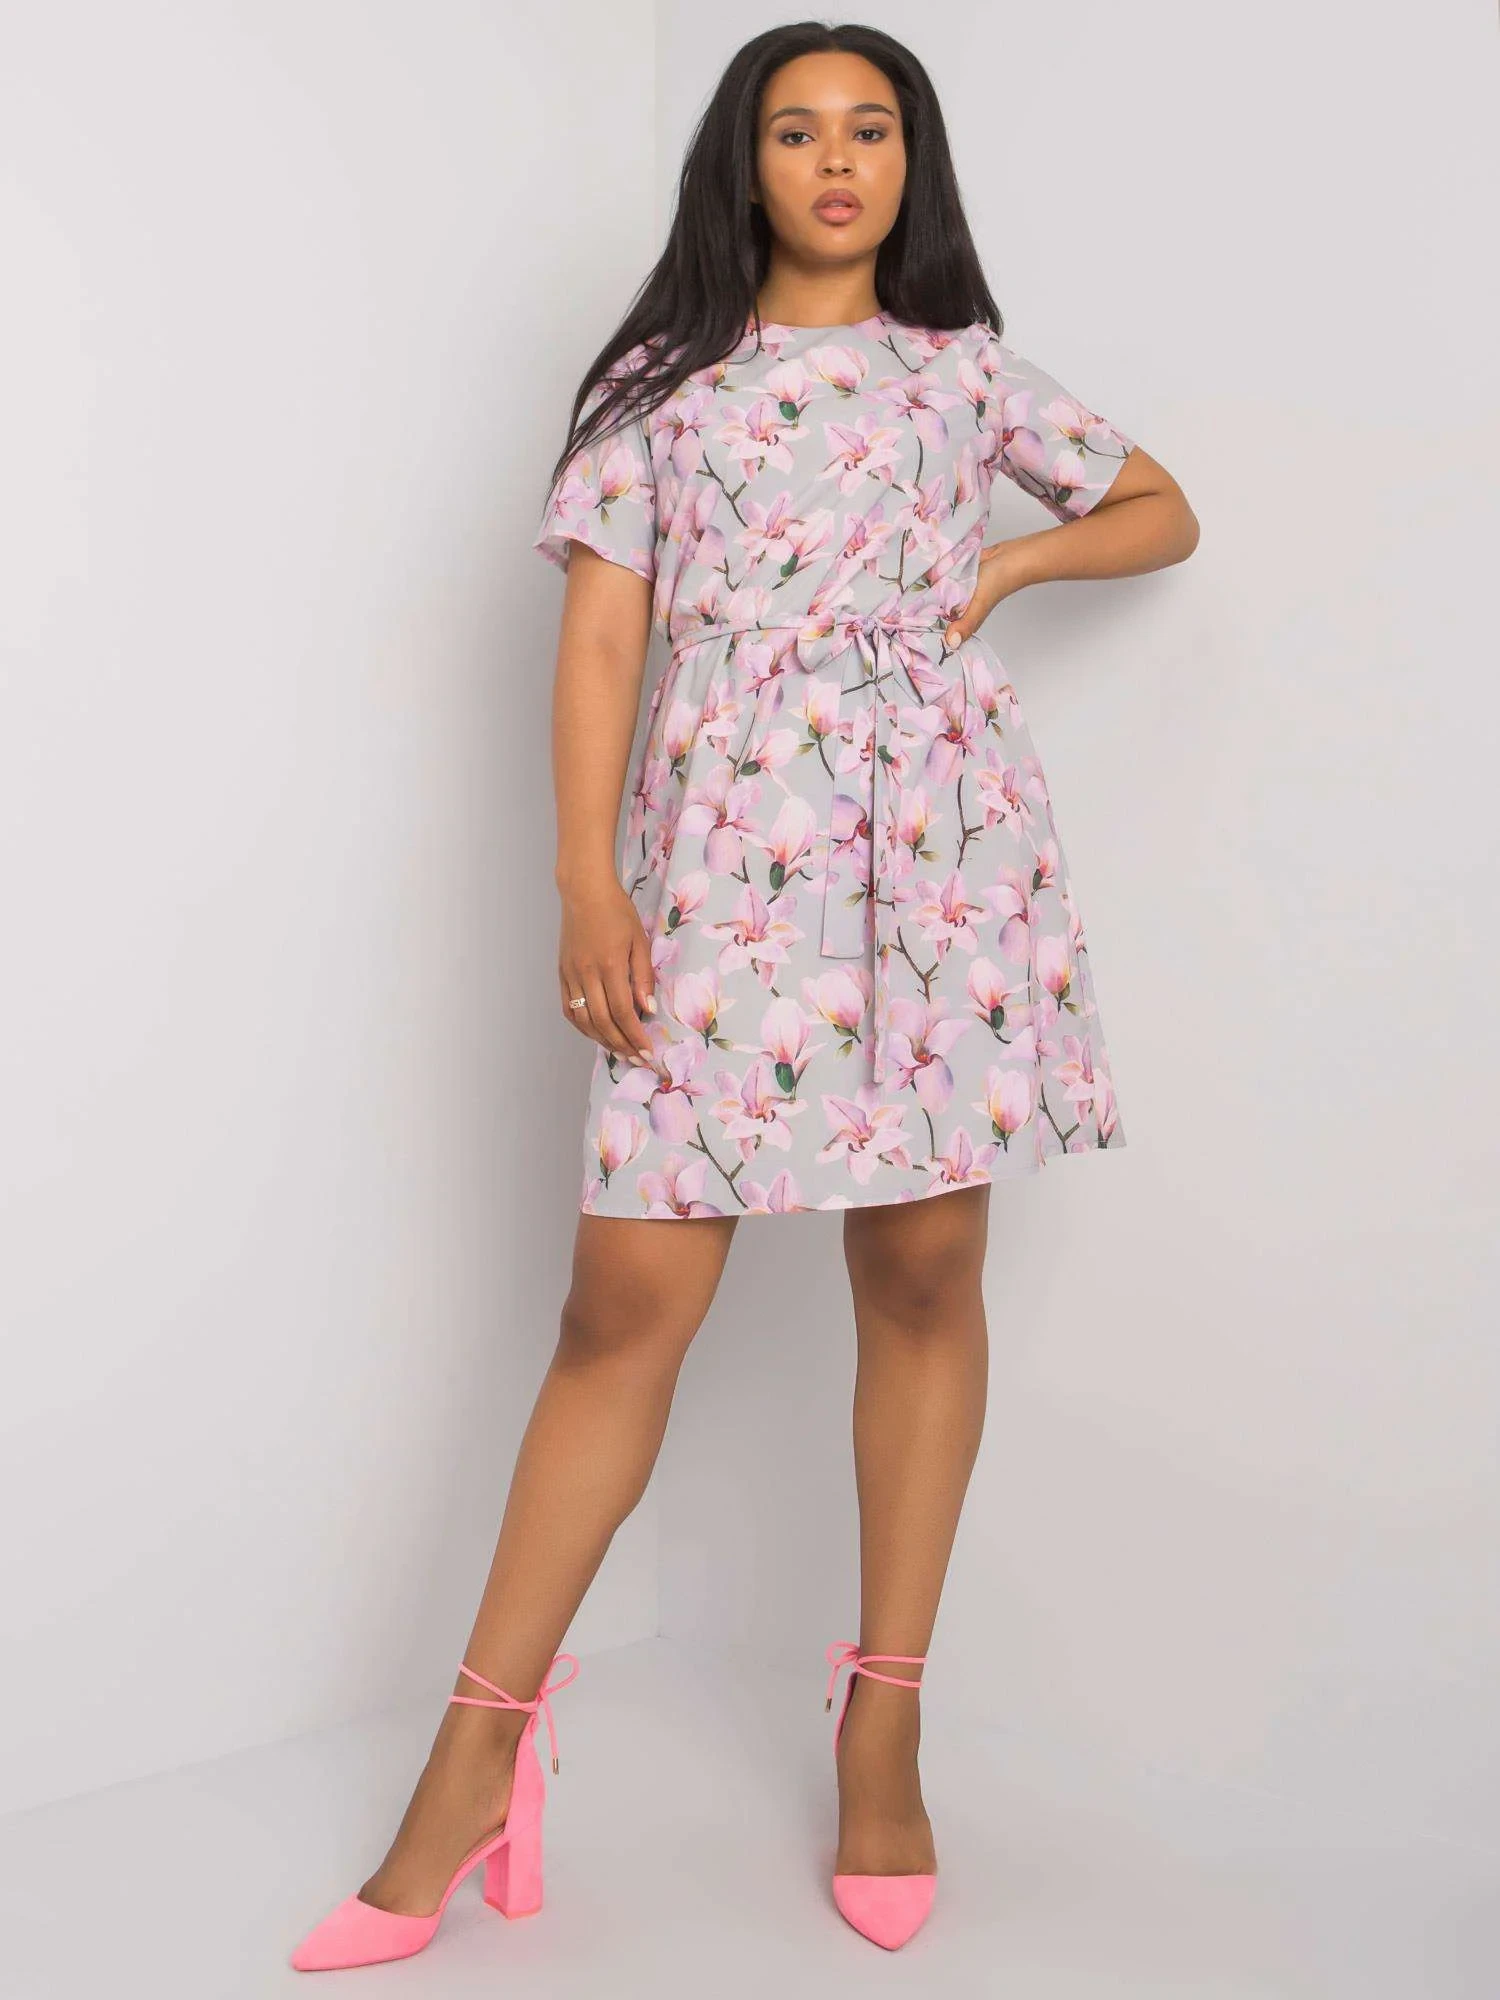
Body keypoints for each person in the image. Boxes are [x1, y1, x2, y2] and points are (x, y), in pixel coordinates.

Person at [289, 20, 1197, 1973]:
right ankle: (475, 1759)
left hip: (941, 860)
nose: (838, 160)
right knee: (625, 1299)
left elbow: (1160, 509)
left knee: (926, 1268)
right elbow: (600, 640)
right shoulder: (661, 385)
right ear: (745, 164)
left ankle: (887, 1729)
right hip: (719, 868)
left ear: (911, 164)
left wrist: (1002, 576)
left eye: (872, 129)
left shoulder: (963, 374)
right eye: (798, 130)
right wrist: (584, 879)